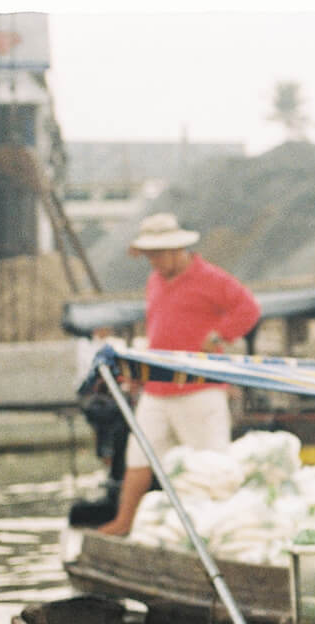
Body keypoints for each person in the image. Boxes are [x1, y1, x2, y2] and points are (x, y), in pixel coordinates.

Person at [96, 212, 261, 536]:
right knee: (140, 454)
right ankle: (124, 521)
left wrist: (219, 334)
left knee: (212, 466)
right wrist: (141, 375)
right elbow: (159, 332)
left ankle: (221, 530)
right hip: (158, 387)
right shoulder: (155, 281)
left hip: (199, 388)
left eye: (157, 255)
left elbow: (248, 308)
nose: (153, 262)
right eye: (149, 256)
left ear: (176, 249)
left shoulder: (211, 278)